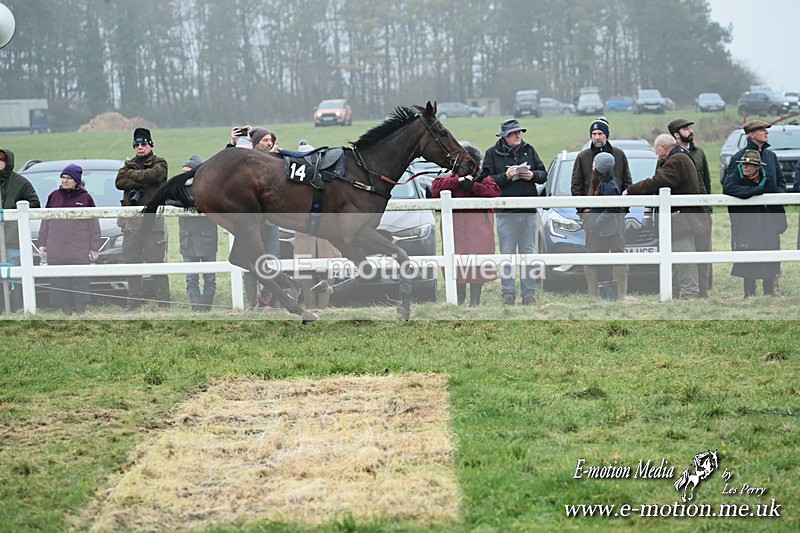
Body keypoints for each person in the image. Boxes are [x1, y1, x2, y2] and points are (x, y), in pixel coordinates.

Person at [623, 134, 707, 299]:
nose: (656, 154)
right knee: (675, 259)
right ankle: (676, 293)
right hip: (681, 219)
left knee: (683, 258)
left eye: (656, 150)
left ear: (663, 147)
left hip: (681, 220)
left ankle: (689, 295)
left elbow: (658, 181)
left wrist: (630, 190)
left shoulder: (676, 161)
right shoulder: (681, 158)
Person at [482, 118, 547, 305]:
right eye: (514, 133)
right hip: (505, 212)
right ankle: (508, 294)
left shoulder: (530, 150)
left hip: (528, 211)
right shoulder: (491, 154)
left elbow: (543, 175)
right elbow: (486, 182)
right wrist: (506, 176)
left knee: (528, 253)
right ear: (504, 136)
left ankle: (529, 294)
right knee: (507, 253)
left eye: (519, 132)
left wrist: (533, 175)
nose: (518, 135)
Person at [431, 141, 501, 307]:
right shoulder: (451, 178)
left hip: (479, 231)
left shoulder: (484, 178)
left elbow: (494, 193)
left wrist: (474, 186)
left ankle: (475, 302)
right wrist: (458, 181)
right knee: (456, 264)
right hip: (455, 231)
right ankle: (459, 299)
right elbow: (435, 189)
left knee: (477, 265)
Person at [571, 117, 632, 299]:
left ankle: (620, 295)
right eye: (594, 134)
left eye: (600, 133)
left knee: (618, 254)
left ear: (606, 135)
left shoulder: (619, 155)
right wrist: (584, 212)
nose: (597, 137)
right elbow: (576, 187)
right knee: (593, 254)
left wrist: (622, 209)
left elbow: (627, 184)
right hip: (592, 218)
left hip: (615, 217)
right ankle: (594, 295)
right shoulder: (582, 157)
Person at [725, 120, 787, 294]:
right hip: (748, 217)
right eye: (762, 130)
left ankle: (769, 291)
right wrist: (755, 192)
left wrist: (777, 197)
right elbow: (730, 187)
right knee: (749, 251)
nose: (766, 132)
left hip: (770, 216)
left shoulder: (771, 156)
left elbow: (780, 182)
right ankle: (749, 292)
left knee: (771, 248)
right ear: (751, 134)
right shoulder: (739, 158)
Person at [226, 126, 283, 308]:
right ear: (255, 143)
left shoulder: (276, 160)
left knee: (271, 262)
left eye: (270, 140)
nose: (269, 143)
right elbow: (227, 166)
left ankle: (270, 304)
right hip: (249, 224)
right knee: (250, 264)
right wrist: (233, 144)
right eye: (264, 140)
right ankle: (253, 304)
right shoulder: (245, 160)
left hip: (270, 223)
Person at [115, 127, 170, 309]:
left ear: (151, 146)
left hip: (152, 223)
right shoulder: (127, 165)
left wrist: (135, 177)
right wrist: (143, 179)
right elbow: (119, 182)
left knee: (157, 263)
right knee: (131, 263)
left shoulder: (160, 162)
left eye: (144, 144)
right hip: (131, 224)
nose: (140, 147)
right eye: (137, 145)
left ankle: (163, 301)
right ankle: (134, 301)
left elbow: (155, 175)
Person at [38, 163, 101, 315]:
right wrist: (42, 244)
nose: (65, 181)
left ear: (77, 180)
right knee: (59, 283)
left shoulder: (86, 198)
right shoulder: (53, 196)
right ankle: (65, 312)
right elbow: (45, 221)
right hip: (56, 250)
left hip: (78, 252)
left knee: (80, 284)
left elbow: (94, 225)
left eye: (69, 178)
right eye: (63, 177)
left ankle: (80, 312)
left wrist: (94, 247)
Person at [291, 139, 341, 310]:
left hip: (326, 230)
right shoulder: (294, 179)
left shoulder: (328, 175)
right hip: (305, 230)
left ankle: (323, 307)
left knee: (327, 269)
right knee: (306, 270)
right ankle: (311, 307)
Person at [668, 118, 713, 298]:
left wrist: (708, 208)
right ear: (676, 134)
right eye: (686, 128)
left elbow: (707, 182)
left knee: (703, 252)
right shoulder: (669, 156)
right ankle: (676, 291)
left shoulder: (699, 153)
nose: (690, 131)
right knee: (681, 253)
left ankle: (703, 291)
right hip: (681, 215)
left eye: (690, 127)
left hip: (701, 212)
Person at [0, 147, 41, 312]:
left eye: (1, 159)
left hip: (12, 240)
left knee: (15, 278)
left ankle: (17, 308)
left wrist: (16, 213)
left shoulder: (20, 182)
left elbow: (34, 203)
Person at [177, 155, 218, 312]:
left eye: (188, 171)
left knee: (210, 277)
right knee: (191, 278)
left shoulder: (209, 188)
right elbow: (169, 200)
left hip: (207, 238)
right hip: (187, 239)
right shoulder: (178, 188)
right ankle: (196, 308)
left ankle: (206, 308)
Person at [583, 152, 625, 300]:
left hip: (604, 231)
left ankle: (611, 296)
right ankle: (606, 295)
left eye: (595, 162)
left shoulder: (609, 186)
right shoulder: (603, 183)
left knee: (602, 262)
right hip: (601, 230)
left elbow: (611, 210)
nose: (592, 164)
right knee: (600, 261)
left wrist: (595, 222)